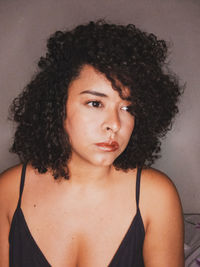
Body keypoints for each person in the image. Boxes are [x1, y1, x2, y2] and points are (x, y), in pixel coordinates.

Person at [0, 20, 184, 267]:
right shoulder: (9, 191)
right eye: (96, 104)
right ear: (56, 105)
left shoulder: (156, 196)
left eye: (127, 108)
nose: (115, 124)